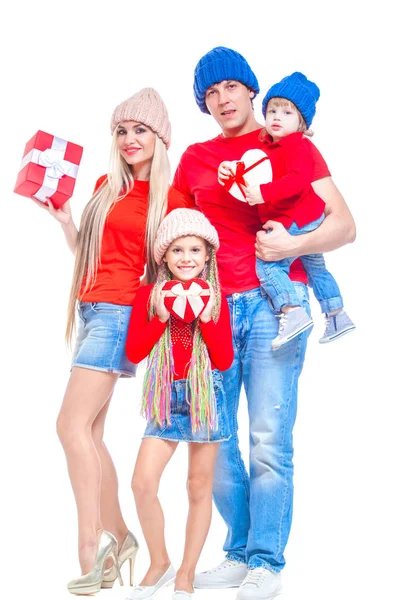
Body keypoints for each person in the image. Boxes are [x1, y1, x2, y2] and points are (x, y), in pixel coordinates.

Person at [172, 47, 356, 600]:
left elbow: (344, 225)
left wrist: (293, 245)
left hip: (276, 304)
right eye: (210, 92)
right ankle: (239, 551)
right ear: (204, 103)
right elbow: (173, 233)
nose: (222, 98)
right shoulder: (195, 158)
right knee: (215, 434)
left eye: (231, 86)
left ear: (252, 90)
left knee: (269, 438)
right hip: (213, 308)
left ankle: (267, 563)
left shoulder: (290, 144)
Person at [34, 88, 190, 595]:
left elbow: (183, 269)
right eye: (122, 130)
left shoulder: (171, 199)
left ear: (160, 138)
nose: (129, 139)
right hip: (91, 308)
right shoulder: (106, 186)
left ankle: (90, 543)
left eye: (140, 130)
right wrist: (66, 224)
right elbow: (90, 255)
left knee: (68, 425)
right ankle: (121, 537)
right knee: (90, 436)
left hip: (121, 315)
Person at [125, 208, 234, 600]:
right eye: (177, 250)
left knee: (197, 486)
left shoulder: (216, 298)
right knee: (142, 483)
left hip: (206, 396)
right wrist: (160, 316)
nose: (186, 257)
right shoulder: (149, 296)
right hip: (166, 398)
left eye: (195, 249)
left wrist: (206, 317)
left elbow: (223, 360)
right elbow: (135, 353)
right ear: (164, 257)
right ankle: (160, 562)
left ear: (208, 256)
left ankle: (186, 573)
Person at [218, 71, 355, 349]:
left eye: (287, 112)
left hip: (299, 218)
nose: (277, 117)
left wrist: (263, 193)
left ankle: (291, 311)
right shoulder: (276, 145)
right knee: (316, 268)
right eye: (272, 111)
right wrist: (231, 171)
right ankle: (337, 315)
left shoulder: (296, 146)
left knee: (268, 266)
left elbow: (296, 180)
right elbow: (257, 169)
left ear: (302, 123)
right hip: (309, 217)